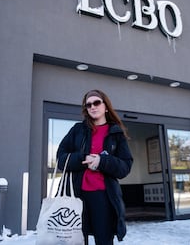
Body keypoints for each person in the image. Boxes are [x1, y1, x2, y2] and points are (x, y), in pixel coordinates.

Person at [57, 89, 133, 245]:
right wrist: (82, 158)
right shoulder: (77, 130)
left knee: (104, 240)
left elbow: (125, 167)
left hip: (103, 197)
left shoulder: (116, 133)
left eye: (96, 102)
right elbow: (61, 158)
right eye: (88, 105)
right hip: (76, 195)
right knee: (76, 240)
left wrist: (102, 162)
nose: (92, 107)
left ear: (106, 107)